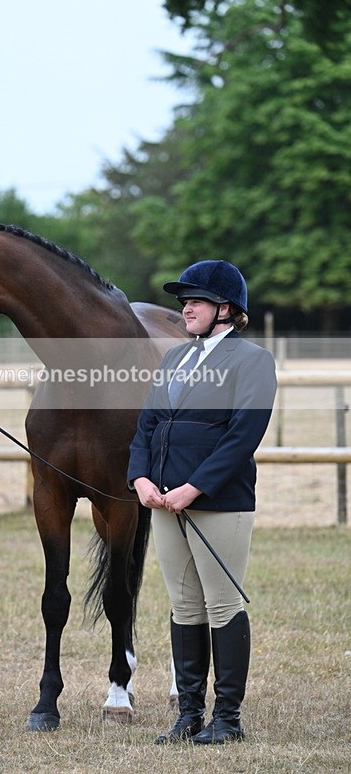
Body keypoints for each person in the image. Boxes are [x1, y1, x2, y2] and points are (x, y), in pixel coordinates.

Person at [127, 260, 277, 745]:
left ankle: (227, 719)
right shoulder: (172, 359)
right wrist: (141, 478)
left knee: (222, 606)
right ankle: (189, 713)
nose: (185, 307)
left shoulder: (252, 360)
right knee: (183, 606)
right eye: (183, 300)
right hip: (165, 502)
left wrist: (195, 487)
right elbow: (148, 425)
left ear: (226, 309)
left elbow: (242, 436)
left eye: (195, 300)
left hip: (219, 503)